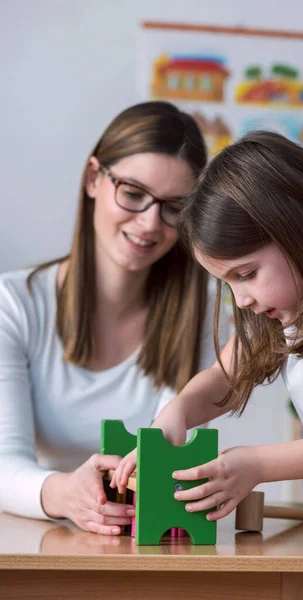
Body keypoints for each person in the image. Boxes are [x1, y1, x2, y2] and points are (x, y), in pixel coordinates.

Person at [112, 131, 303, 598]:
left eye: (246, 274)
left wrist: (254, 465)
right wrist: (178, 412)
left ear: (302, 230)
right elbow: (223, 379)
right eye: (227, 284)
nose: (241, 298)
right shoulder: (291, 308)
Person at [0, 101, 230, 536]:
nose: (148, 223)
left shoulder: (206, 311)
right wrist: (64, 493)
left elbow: (175, 459)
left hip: (156, 550)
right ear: (93, 179)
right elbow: (2, 464)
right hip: (46, 545)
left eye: (173, 208)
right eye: (132, 193)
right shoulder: (13, 303)